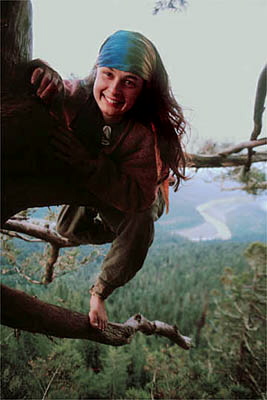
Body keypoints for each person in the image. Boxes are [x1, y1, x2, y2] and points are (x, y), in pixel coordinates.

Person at [29, 30, 187, 331]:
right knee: (67, 228)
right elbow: (58, 88)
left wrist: (88, 165)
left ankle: (100, 292)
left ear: (144, 89)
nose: (114, 90)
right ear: (96, 71)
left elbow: (139, 198)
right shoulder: (80, 95)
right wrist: (42, 70)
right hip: (94, 178)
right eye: (108, 74)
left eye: (129, 82)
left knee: (140, 224)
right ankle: (113, 230)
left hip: (136, 191)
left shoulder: (145, 133)